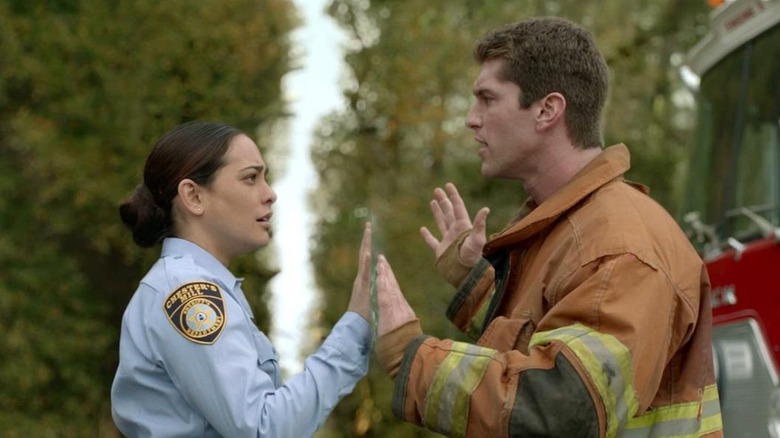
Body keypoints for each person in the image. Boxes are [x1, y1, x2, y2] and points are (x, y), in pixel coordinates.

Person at [374, 17, 724, 437]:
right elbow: (548, 342)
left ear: (546, 110)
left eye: (487, 99)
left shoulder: (620, 249)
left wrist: (411, 361)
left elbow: (560, 408)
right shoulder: (571, 230)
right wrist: (478, 287)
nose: (471, 118)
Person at [111, 120, 385, 437]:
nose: (270, 194)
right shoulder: (186, 291)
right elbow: (262, 428)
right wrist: (353, 332)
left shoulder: (192, 284)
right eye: (250, 178)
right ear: (193, 196)